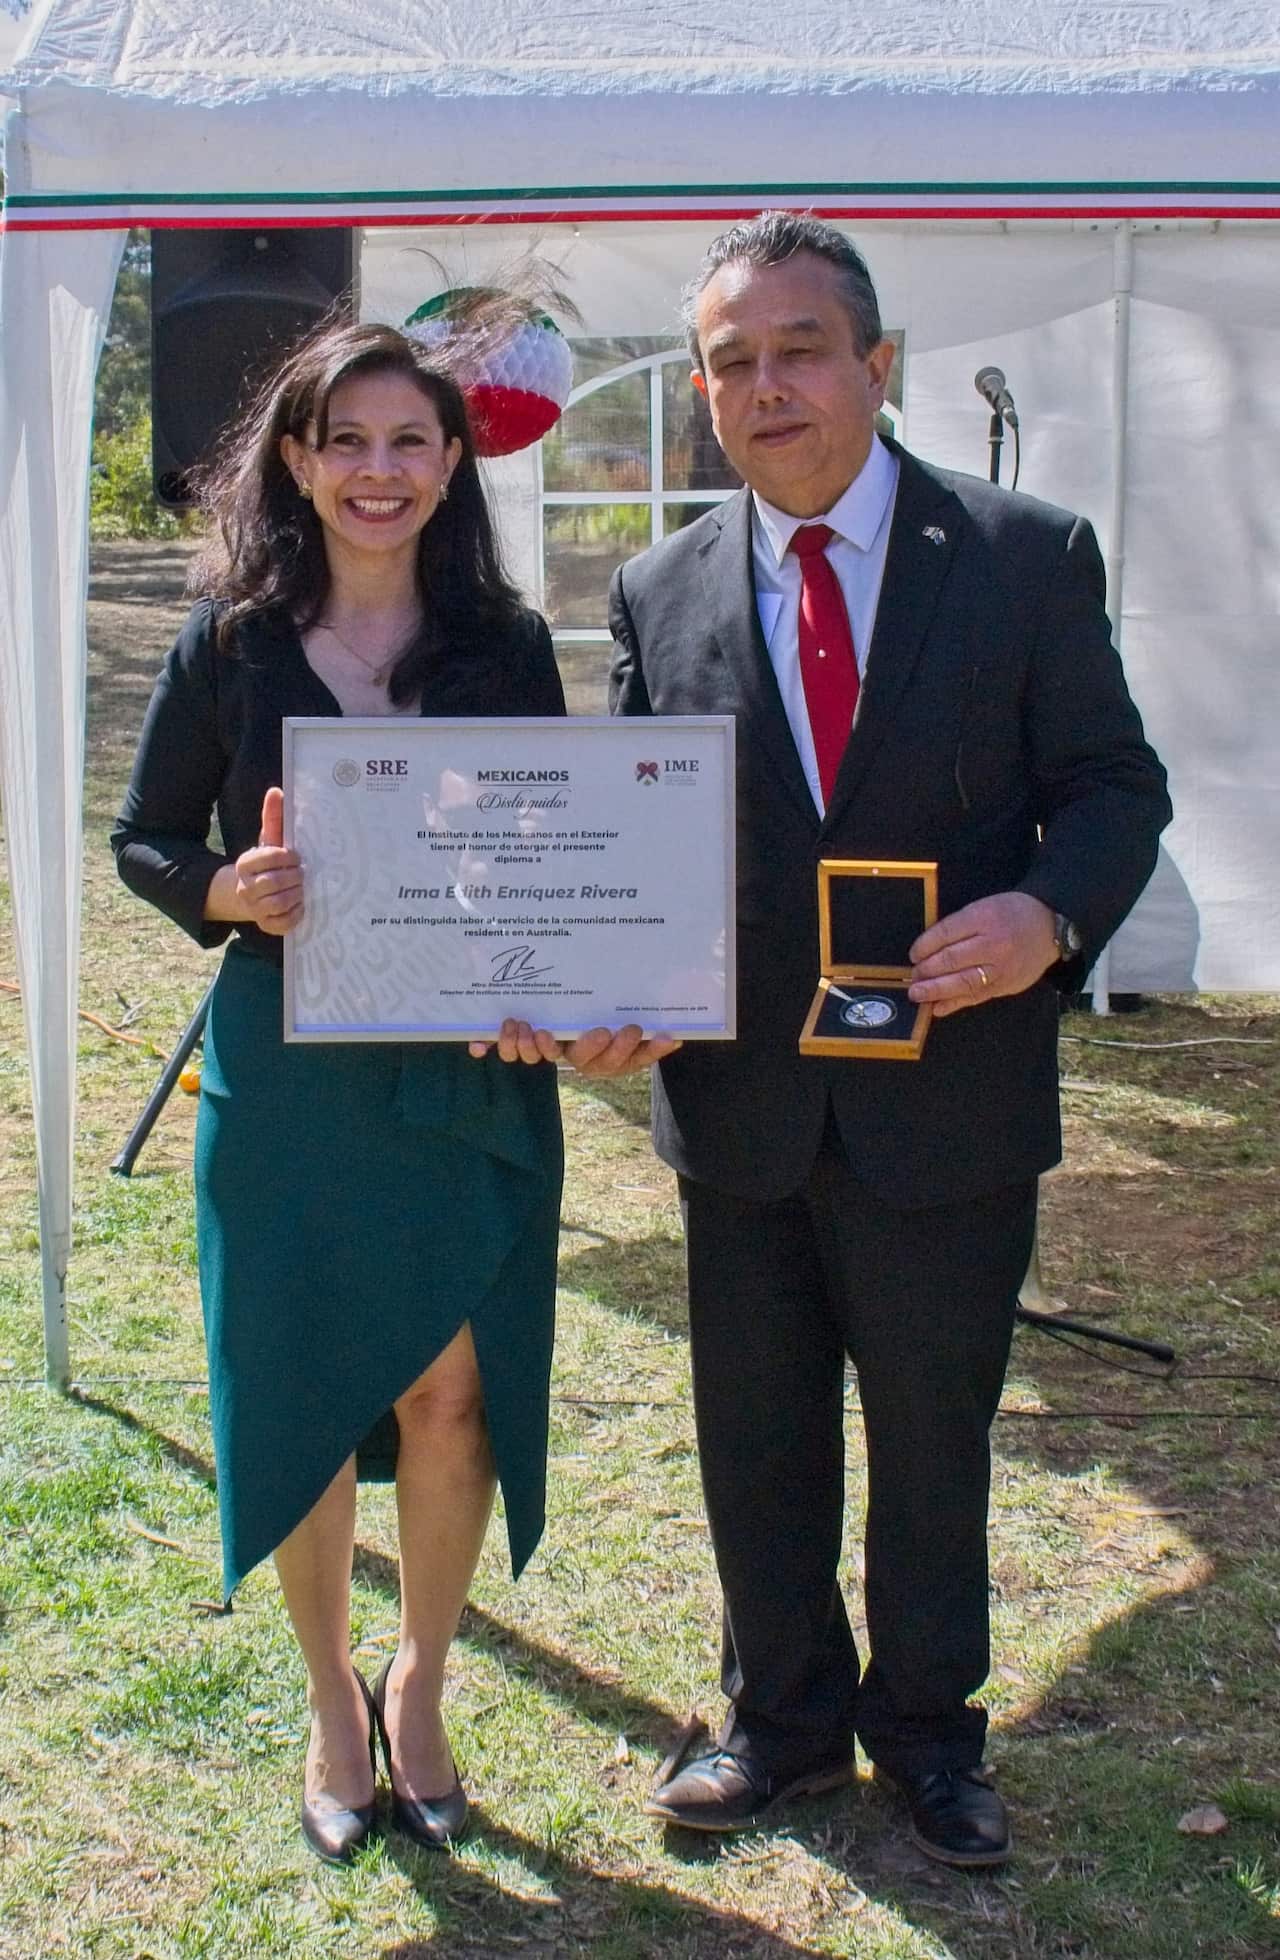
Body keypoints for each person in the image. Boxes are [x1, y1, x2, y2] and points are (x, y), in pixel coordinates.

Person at [605, 213, 1171, 1867]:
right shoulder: (659, 586)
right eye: (733, 362)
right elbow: (641, 836)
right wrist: (611, 983)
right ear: (704, 393)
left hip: (950, 1101)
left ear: (879, 365)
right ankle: (779, 1724)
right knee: (756, 1437)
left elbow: (1114, 785)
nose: (768, 386)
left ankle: (931, 1734)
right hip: (744, 1105)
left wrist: (1047, 917)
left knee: (933, 1442)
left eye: (801, 350)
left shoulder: (1021, 554)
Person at [112, 318, 573, 1866]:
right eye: (349, 442)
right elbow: (144, 840)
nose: (381, 471)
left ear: (451, 463)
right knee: (307, 1397)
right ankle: (329, 1704)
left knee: (452, 1393)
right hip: (289, 1078)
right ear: (299, 462)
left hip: (462, 1069)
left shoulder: (506, 647)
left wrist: (549, 981)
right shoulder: (228, 642)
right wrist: (226, 892)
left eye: (410, 442)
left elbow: (550, 852)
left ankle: (420, 1684)